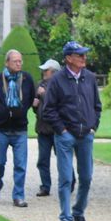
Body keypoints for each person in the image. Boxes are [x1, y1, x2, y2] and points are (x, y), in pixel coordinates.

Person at [42, 41, 103, 221]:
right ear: (69, 58)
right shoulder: (57, 80)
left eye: (84, 54)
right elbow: (48, 110)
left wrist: (93, 127)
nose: (84, 58)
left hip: (86, 135)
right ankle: (65, 217)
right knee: (66, 178)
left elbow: (97, 106)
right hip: (66, 136)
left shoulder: (90, 78)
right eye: (80, 55)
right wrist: (62, 131)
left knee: (86, 177)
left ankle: (78, 212)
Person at [0, 49, 35, 207]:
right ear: (7, 62)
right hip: (1, 129)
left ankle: (18, 196)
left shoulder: (27, 79)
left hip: (20, 129)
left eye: (20, 60)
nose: (19, 63)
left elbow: (30, 99)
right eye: (15, 61)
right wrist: (3, 112)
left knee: (21, 164)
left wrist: (19, 112)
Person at [33, 59, 64, 197]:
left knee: (63, 159)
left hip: (57, 129)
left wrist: (44, 95)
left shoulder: (61, 85)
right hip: (43, 129)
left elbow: (57, 105)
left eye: (46, 70)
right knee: (43, 160)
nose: (44, 72)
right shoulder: (40, 85)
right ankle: (45, 186)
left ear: (54, 72)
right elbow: (39, 108)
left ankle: (69, 182)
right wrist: (35, 105)